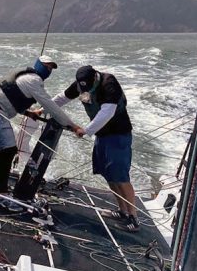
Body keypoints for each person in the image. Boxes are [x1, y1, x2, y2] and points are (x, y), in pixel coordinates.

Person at [0, 56, 85, 196]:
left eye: (51, 69)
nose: (48, 70)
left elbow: (11, 98)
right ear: (38, 65)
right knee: (9, 149)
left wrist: (29, 113)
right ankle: (1, 190)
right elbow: (51, 106)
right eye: (47, 66)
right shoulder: (33, 80)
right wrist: (73, 126)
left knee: (2, 146)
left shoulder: (29, 78)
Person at [53, 65, 139, 232]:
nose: (84, 89)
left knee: (121, 176)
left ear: (95, 78)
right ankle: (122, 211)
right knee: (109, 174)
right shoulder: (80, 84)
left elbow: (107, 112)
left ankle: (133, 217)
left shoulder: (109, 83)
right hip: (102, 136)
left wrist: (86, 130)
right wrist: (43, 109)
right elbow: (62, 98)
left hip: (118, 136)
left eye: (88, 86)